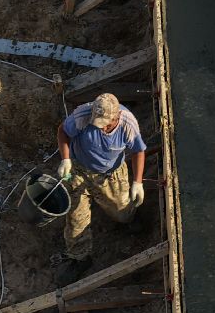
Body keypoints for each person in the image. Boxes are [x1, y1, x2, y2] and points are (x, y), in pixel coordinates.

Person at [53, 92, 147, 284]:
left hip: (110, 174)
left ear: (116, 117)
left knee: (121, 211)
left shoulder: (128, 125)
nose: (100, 125)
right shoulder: (83, 116)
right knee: (75, 219)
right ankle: (80, 257)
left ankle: (127, 220)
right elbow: (63, 131)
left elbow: (138, 151)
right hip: (79, 171)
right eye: (97, 120)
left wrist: (137, 182)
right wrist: (65, 159)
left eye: (105, 123)